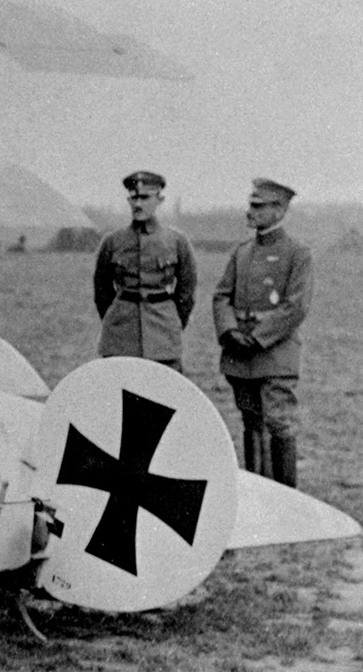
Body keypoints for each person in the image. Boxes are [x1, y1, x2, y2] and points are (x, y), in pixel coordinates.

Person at [213, 178, 311, 488]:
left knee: (278, 422)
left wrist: (257, 338)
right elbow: (221, 296)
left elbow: (296, 307)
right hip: (240, 353)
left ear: (280, 210)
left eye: (258, 206)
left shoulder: (297, 253)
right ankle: (258, 494)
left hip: (275, 353)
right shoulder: (241, 252)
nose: (250, 211)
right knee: (250, 421)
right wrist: (229, 331)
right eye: (250, 204)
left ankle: (287, 499)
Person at [91, 170, 198, 371]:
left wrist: (171, 323)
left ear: (159, 199)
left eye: (145, 197)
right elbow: (102, 292)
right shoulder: (113, 241)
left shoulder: (177, 242)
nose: (138, 204)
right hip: (120, 336)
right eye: (133, 197)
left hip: (163, 336)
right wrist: (116, 320)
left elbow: (186, 293)